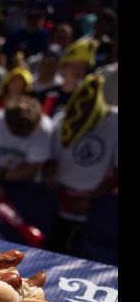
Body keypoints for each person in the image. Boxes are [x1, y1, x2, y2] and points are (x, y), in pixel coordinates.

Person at [43, 74, 117, 256]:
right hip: (57, 199)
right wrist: (50, 179)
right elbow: (50, 159)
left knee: (81, 255)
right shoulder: (62, 119)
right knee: (52, 248)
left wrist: (93, 198)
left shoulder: (115, 121)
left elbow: (117, 169)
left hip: (93, 203)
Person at [0, 96, 53, 198]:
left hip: (27, 184)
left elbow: (31, 169)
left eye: (25, 133)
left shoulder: (45, 130)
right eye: (16, 132)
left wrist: (0, 176)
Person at [45, 37, 98, 116]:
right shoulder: (50, 95)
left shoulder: (87, 98)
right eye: (73, 66)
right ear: (63, 67)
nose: (78, 70)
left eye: (82, 67)